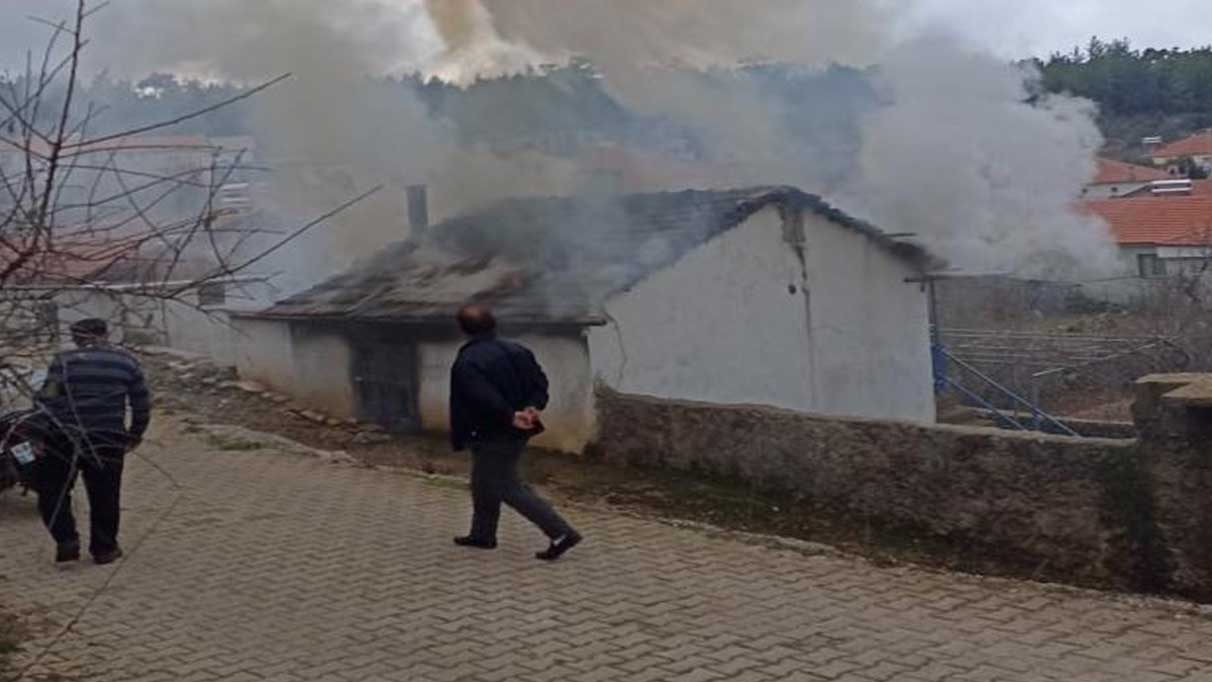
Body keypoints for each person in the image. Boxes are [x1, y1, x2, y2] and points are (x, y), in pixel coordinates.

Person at [449, 304, 582, 561]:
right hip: (517, 429)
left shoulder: (468, 361)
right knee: (482, 481)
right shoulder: (518, 350)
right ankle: (482, 534)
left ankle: (561, 533)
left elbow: (482, 397)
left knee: (504, 484)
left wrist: (511, 415)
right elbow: (539, 383)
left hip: (492, 432)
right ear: (493, 324)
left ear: (463, 329)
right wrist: (533, 407)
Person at [33, 318, 151, 565]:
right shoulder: (126, 362)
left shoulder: (63, 362)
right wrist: (134, 434)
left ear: (76, 338)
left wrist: (39, 435)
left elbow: (47, 400)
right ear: (105, 335)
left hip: (63, 436)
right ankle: (104, 549)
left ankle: (66, 540)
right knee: (105, 494)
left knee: (53, 490)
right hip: (107, 437)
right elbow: (141, 402)